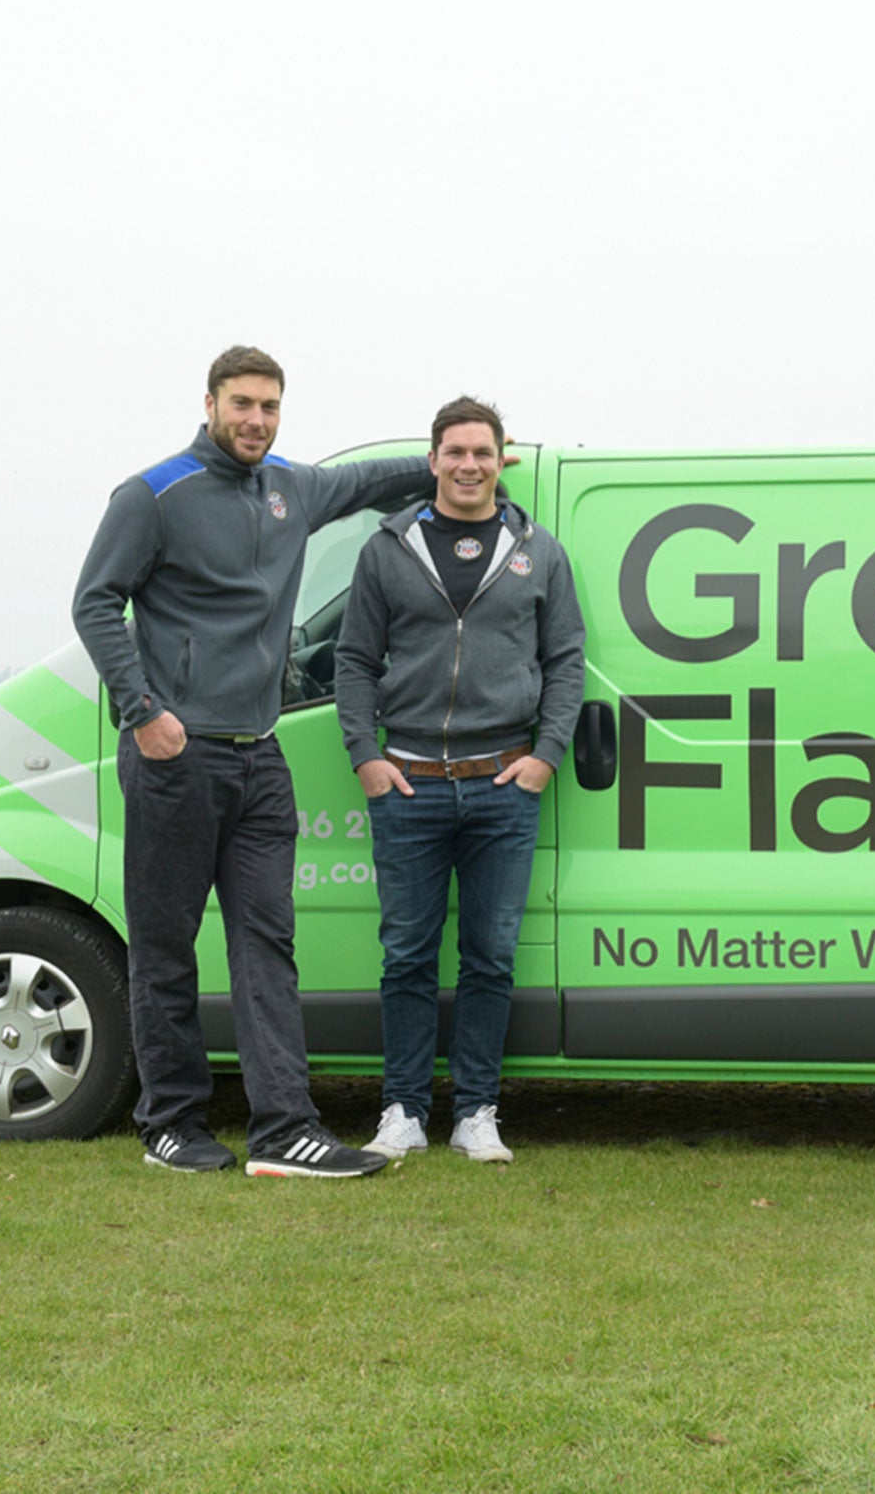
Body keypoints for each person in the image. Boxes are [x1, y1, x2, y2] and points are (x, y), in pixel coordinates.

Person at [72, 345, 435, 1178]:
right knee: (165, 948)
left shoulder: (291, 489)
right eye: (242, 404)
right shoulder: (153, 495)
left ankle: (285, 1129)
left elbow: (373, 481)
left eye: (270, 407)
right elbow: (94, 601)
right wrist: (145, 712)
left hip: (260, 761)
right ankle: (170, 1123)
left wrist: (449, 458)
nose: (257, 421)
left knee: (267, 943)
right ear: (209, 404)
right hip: (176, 759)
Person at [334, 395, 586, 1165]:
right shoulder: (388, 548)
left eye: (483, 452)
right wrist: (364, 756)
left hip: (501, 786)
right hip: (407, 782)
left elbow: (566, 661)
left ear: (500, 458)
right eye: (455, 452)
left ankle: (477, 1111)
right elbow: (352, 661)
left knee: (490, 954)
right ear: (434, 459)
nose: (469, 466)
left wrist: (544, 756)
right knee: (407, 954)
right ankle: (403, 1111)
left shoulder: (538, 551)